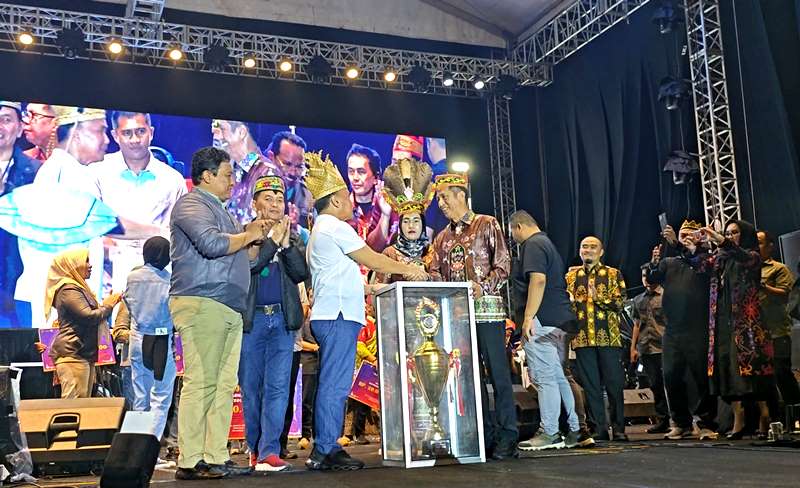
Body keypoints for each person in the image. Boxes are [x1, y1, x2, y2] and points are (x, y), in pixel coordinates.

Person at [303, 151, 427, 471]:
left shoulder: (322, 229)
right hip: (338, 316)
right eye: (346, 196)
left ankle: (325, 446)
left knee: (334, 381)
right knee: (335, 383)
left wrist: (370, 290)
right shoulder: (335, 226)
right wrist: (410, 269)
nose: (350, 200)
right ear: (334, 201)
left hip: (334, 313)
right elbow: (373, 259)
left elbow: (340, 277)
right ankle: (325, 448)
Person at [169, 146, 270, 480]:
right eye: (227, 175)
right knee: (202, 380)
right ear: (207, 176)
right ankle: (190, 459)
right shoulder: (191, 204)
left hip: (228, 305)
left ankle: (215, 455)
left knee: (224, 384)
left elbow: (245, 261)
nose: (232, 182)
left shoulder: (224, 213)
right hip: (203, 301)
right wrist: (248, 235)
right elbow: (211, 245)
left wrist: (258, 242)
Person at [429, 173, 518, 459]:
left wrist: (484, 286)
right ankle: (484, 435)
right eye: (438, 199)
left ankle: (508, 435)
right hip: (457, 317)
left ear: (460, 194)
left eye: (444, 196)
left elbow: (503, 264)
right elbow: (434, 272)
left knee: (499, 376)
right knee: (470, 378)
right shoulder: (442, 238)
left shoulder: (486, 224)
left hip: (487, 313)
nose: (441, 203)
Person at [17, 106, 111, 327]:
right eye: (100, 131)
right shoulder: (62, 174)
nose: (106, 140)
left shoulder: (73, 171)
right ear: (77, 134)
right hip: (61, 305)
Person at [239, 175, 309, 473]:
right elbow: (251, 266)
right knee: (251, 388)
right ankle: (254, 447)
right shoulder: (244, 234)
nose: (275, 204)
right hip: (252, 321)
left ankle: (270, 451)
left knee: (279, 388)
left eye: (280, 199)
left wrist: (287, 245)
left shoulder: (293, 237)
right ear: (255, 204)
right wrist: (271, 242)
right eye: (268, 199)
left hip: (282, 321)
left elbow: (301, 274)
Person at [509, 210, 587, 451]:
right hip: (559, 319)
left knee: (544, 378)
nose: (513, 238)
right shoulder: (547, 243)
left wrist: (528, 316)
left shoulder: (532, 244)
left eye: (512, 232)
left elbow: (538, 280)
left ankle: (550, 432)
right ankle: (576, 429)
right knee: (558, 376)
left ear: (519, 227)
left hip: (542, 319)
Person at [93, 111, 187, 293]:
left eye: (141, 131)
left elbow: (181, 234)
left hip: (158, 280)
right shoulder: (97, 173)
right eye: (127, 133)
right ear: (115, 136)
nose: (135, 139)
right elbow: (91, 224)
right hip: (108, 280)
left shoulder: (172, 180)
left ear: (151, 132)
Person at [696, 221, 773, 439]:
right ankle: (738, 417)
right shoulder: (721, 259)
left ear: (745, 234)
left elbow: (741, 255)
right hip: (722, 321)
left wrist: (721, 240)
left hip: (747, 325)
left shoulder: (752, 257)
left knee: (753, 370)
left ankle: (765, 415)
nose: (730, 236)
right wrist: (691, 245)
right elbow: (699, 265)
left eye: (735, 232)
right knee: (726, 368)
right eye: (728, 233)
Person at [647, 220, 718, 440]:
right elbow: (652, 279)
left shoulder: (705, 259)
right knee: (670, 375)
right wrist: (654, 261)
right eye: (682, 234)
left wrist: (679, 246)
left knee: (700, 375)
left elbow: (699, 264)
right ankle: (681, 422)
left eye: (690, 234)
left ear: (699, 236)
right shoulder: (670, 262)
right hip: (672, 328)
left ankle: (706, 421)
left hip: (697, 327)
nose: (686, 238)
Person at [565, 236, 627, 441]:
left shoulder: (613, 274)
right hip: (582, 338)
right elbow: (566, 306)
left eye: (593, 247)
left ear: (601, 252)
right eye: (584, 246)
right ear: (579, 251)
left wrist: (598, 297)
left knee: (614, 384)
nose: (588, 250)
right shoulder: (571, 277)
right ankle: (598, 428)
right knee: (591, 386)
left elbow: (620, 303)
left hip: (609, 337)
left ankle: (619, 429)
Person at [46, 248, 122, 398]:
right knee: (73, 406)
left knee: (82, 405)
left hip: (82, 354)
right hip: (73, 354)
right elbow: (89, 316)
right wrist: (108, 305)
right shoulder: (68, 290)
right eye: (86, 261)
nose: (90, 265)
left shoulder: (77, 288)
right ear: (73, 265)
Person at [121, 236, 176, 439]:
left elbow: (127, 302)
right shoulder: (170, 280)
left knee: (140, 396)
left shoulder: (133, 277)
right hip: (161, 340)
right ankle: (151, 446)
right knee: (160, 397)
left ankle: (137, 445)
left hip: (138, 338)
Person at [0, 101, 41, 327]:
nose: (0, 126)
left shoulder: (35, 171)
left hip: (18, 278)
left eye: (6, 120)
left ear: (19, 128)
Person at [374, 157, 435, 284]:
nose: (411, 225)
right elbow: (380, 287)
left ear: (423, 224)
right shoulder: (390, 254)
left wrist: (426, 277)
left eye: (416, 221)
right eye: (406, 221)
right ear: (400, 226)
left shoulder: (432, 252)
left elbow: (442, 279)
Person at [757, 230, 800, 407]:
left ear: (770, 246)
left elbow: (786, 294)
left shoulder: (778, 268)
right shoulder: (746, 268)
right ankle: (774, 414)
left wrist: (764, 287)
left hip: (777, 331)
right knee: (763, 377)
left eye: (760, 243)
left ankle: (795, 410)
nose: (756, 247)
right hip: (756, 333)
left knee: (782, 372)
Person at [211, 119, 280, 224]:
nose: (216, 137)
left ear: (241, 132)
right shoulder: (236, 169)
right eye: (214, 130)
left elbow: (269, 225)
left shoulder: (267, 172)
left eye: (222, 129)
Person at [630, 265, 669, 434]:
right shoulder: (638, 299)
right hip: (646, 347)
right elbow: (637, 324)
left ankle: (679, 419)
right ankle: (662, 419)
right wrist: (633, 348)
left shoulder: (666, 296)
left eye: (648, 275)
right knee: (655, 384)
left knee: (670, 384)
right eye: (643, 276)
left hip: (664, 346)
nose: (646, 280)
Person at [346, 144, 397, 253]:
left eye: (361, 172)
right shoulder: (342, 207)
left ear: (376, 178)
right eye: (351, 171)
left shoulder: (389, 205)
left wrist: (385, 215)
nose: (355, 178)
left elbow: (376, 249)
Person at [268, 131, 312, 226]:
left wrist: (296, 228)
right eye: (287, 164)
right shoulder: (251, 183)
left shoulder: (308, 197)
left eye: (299, 167)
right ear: (271, 157)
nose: (293, 172)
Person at [297, 289, 319, 451]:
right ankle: (304, 434)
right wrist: (314, 347)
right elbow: (299, 341)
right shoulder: (303, 318)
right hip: (306, 363)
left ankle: (319, 436)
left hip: (320, 363)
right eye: (310, 295)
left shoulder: (321, 317)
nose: (313, 298)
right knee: (306, 401)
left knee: (319, 401)